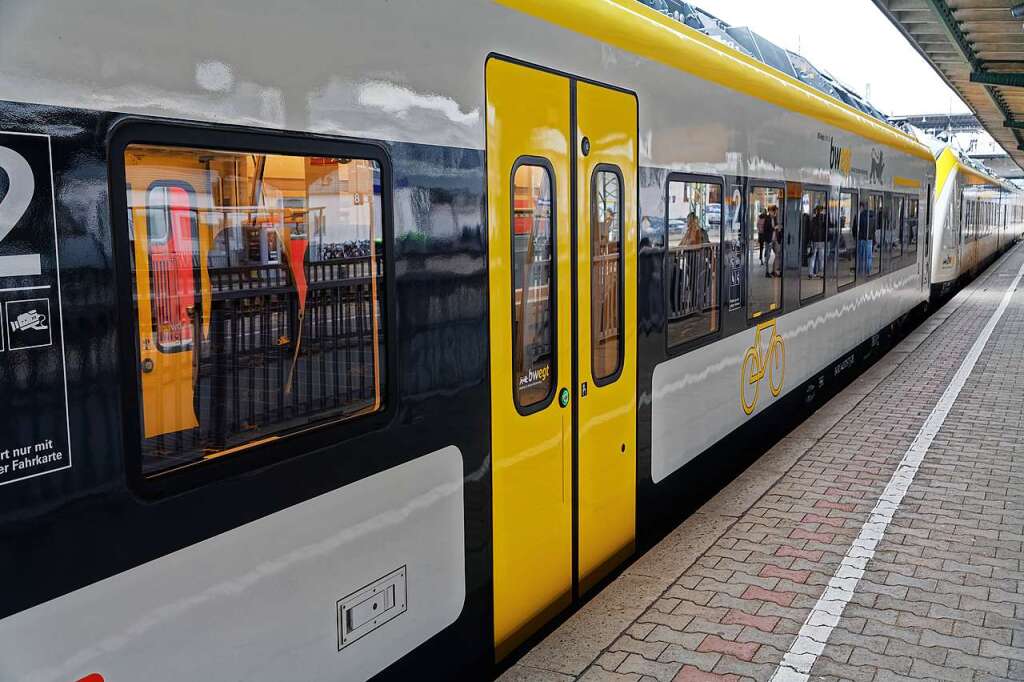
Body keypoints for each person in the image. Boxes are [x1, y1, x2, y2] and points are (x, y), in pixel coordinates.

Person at [809, 205, 826, 278]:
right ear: (822, 210)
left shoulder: (813, 219)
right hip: (822, 240)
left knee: (813, 257)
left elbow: (811, 230)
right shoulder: (824, 219)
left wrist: (810, 240)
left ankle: (810, 273)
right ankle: (821, 273)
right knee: (821, 258)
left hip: (814, 241)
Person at [856, 202, 872, 276]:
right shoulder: (871, 216)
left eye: (858, 207)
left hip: (861, 238)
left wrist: (856, 236)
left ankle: (860, 271)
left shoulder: (858, 216)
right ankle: (868, 271)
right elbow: (874, 227)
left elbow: (855, 228)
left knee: (861, 256)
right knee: (868, 256)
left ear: (861, 207)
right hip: (869, 239)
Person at [769, 205, 783, 277]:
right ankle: (774, 271)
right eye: (777, 211)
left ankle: (774, 270)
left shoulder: (776, 218)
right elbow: (770, 228)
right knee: (777, 254)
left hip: (776, 239)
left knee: (777, 254)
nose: (777, 212)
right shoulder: (771, 218)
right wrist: (776, 227)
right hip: (772, 239)